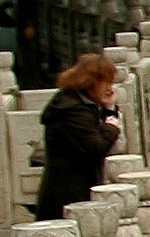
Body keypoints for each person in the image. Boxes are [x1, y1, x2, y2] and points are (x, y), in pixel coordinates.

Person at [30, 53, 122, 221]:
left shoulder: (79, 104)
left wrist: (109, 110)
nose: (110, 89)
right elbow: (96, 147)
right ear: (91, 82)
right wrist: (112, 127)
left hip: (76, 188)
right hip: (68, 195)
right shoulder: (72, 111)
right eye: (106, 83)